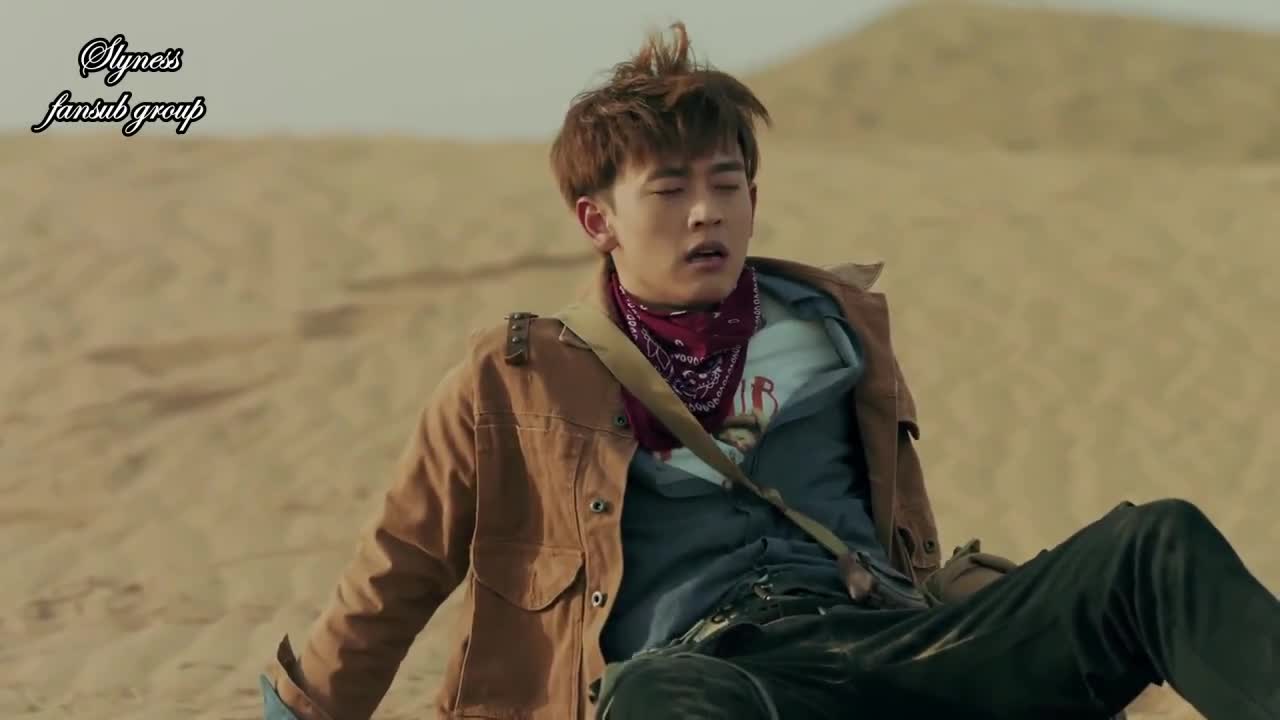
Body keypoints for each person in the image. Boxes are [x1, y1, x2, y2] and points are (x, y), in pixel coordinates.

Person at [259, 21, 1279, 720]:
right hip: (712, 673)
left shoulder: (832, 327)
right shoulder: (519, 378)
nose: (706, 211)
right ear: (597, 218)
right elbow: (397, 571)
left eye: (727, 182)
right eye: (670, 190)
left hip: (891, 645)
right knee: (657, 699)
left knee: (1154, 545)